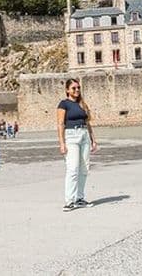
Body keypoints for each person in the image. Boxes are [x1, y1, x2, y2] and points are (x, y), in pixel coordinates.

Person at [57, 79, 98, 212]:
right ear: (67, 90)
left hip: (84, 135)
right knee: (73, 168)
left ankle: (80, 198)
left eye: (78, 88)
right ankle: (70, 200)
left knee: (84, 168)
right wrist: (62, 143)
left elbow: (88, 123)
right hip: (71, 136)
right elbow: (60, 124)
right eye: (73, 88)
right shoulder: (64, 104)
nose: (77, 90)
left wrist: (93, 140)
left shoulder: (82, 105)